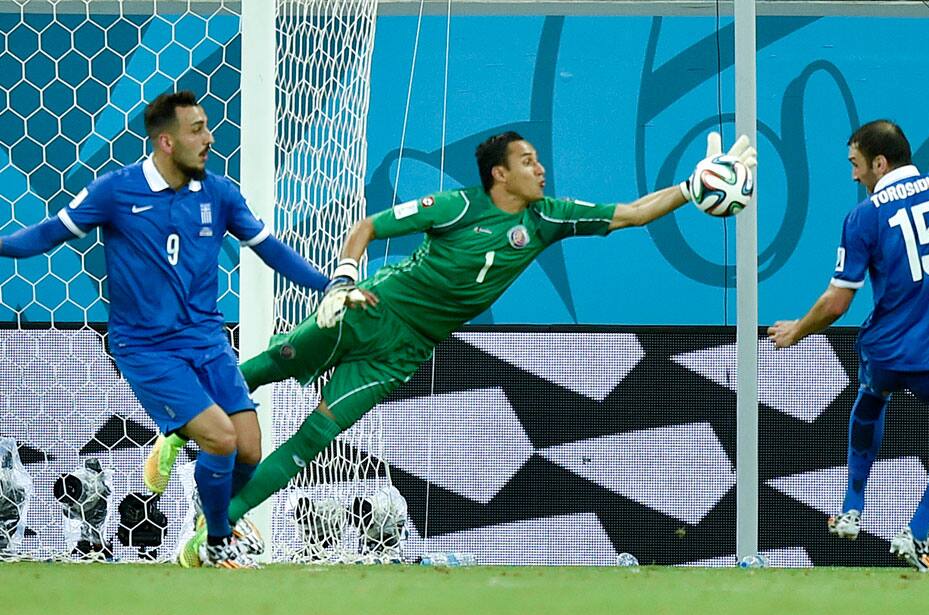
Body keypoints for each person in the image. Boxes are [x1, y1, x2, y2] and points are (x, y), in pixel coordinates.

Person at [170, 129, 757, 566]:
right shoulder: (455, 207)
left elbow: (630, 214)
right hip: (372, 309)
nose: (541, 169)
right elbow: (367, 228)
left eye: (538, 160)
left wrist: (689, 186)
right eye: (528, 161)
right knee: (270, 364)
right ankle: (174, 433)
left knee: (313, 439)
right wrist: (344, 280)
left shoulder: (549, 218)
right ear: (499, 174)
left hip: (403, 352)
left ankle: (216, 531)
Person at [0, 90, 337, 568]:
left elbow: (270, 248)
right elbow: (45, 234)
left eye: (207, 125)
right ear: (165, 141)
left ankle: (199, 491)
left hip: (206, 339)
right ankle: (216, 542)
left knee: (250, 449)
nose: (209, 138)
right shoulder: (115, 191)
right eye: (196, 129)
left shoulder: (219, 193)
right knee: (220, 438)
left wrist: (331, 285)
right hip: (146, 347)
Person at [767, 120, 929, 572]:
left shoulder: (863, 217)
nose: (854, 176)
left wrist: (797, 329)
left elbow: (837, 303)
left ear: (879, 162)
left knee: (871, 397)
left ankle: (852, 507)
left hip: (885, 351)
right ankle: (916, 532)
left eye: (855, 165)